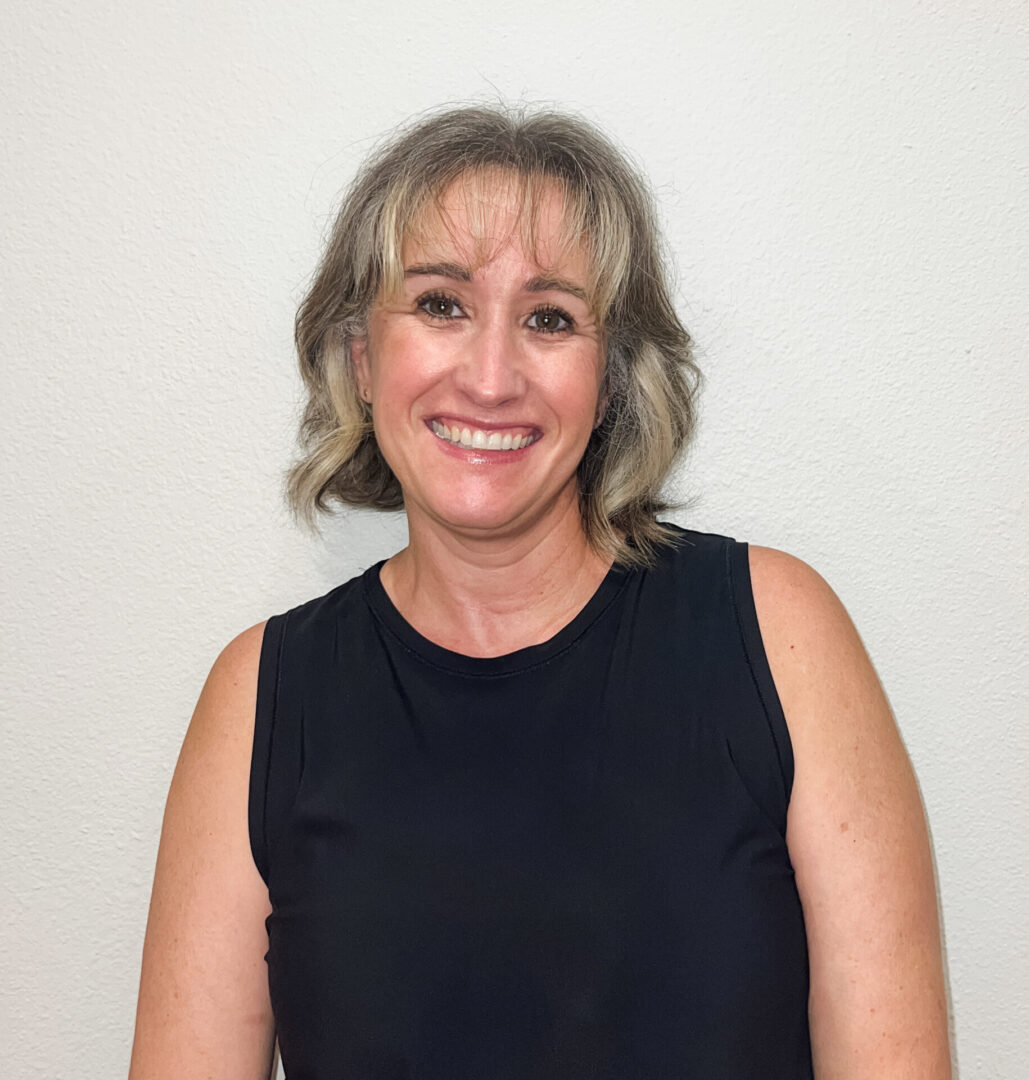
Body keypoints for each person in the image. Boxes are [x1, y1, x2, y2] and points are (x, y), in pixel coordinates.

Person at [129, 104, 950, 1079]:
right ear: (361, 353)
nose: (490, 376)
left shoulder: (779, 636)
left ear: (607, 381)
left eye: (550, 318)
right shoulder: (262, 695)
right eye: (441, 304)